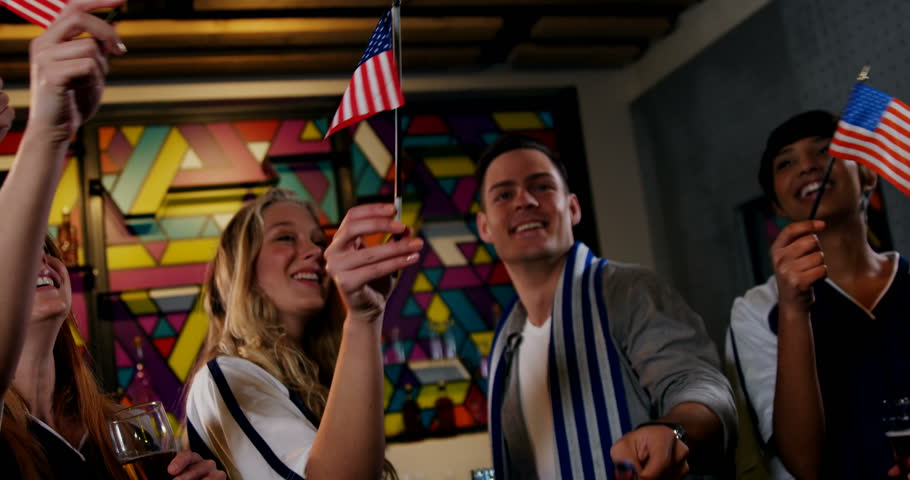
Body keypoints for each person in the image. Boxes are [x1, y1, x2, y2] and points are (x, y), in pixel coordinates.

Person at [0, 1, 226, 479]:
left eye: (48, 251)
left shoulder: (123, 426)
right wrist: (49, 131)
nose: (40, 262)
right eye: (24, 254)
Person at [476, 134, 736, 479]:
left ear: (572, 208)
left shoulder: (628, 291)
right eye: (504, 194)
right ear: (484, 226)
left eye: (541, 187)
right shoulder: (507, 342)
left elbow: (700, 385)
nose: (524, 201)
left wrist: (672, 431)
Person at [185, 188, 421, 479]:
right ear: (241, 267)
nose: (316, 252)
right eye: (285, 237)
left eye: (319, 241)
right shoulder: (228, 376)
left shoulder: (322, 377)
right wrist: (364, 318)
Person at [728, 110, 910, 480]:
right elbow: (803, 464)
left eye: (826, 149)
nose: (809, 165)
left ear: (869, 174)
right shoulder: (758, 310)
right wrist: (794, 309)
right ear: (776, 206)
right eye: (786, 162)